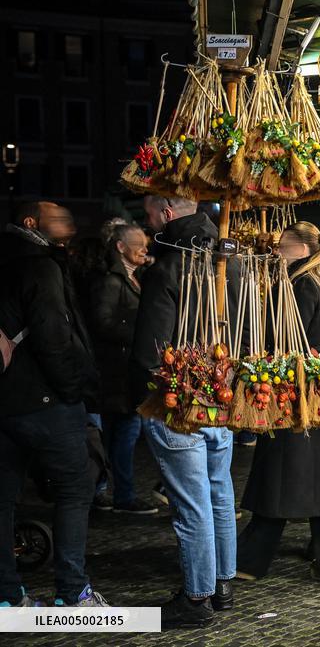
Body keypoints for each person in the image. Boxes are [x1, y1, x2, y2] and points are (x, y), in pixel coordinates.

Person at [130, 195, 239, 628]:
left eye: (150, 214)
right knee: (219, 492)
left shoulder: (169, 265)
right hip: (223, 392)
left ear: (167, 214)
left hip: (178, 397)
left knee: (193, 502)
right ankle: (222, 583)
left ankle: (197, 599)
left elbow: (149, 347)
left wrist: (153, 379)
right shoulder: (232, 262)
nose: (147, 221)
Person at [236, 222, 320, 588]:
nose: (276, 249)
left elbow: (285, 340)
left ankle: (250, 561)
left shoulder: (299, 284)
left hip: (296, 395)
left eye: (282, 244)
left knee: (279, 477)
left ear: (301, 247)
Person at [0, 201, 108, 607]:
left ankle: (8, 597)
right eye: (58, 217)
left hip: (5, 400)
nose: (69, 222)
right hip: (44, 399)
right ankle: (73, 593)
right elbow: (52, 335)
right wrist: (72, 388)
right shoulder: (38, 264)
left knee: (3, 499)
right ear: (31, 222)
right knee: (74, 489)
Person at [92, 223, 158, 515]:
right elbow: (102, 323)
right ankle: (119, 495)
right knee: (123, 434)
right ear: (120, 247)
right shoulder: (112, 282)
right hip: (116, 374)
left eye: (146, 243)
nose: (144, 249)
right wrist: (138, 331)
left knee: (124, 434)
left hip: (125, 372)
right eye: (137, 243)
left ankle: (115, 492)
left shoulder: (134, 278)